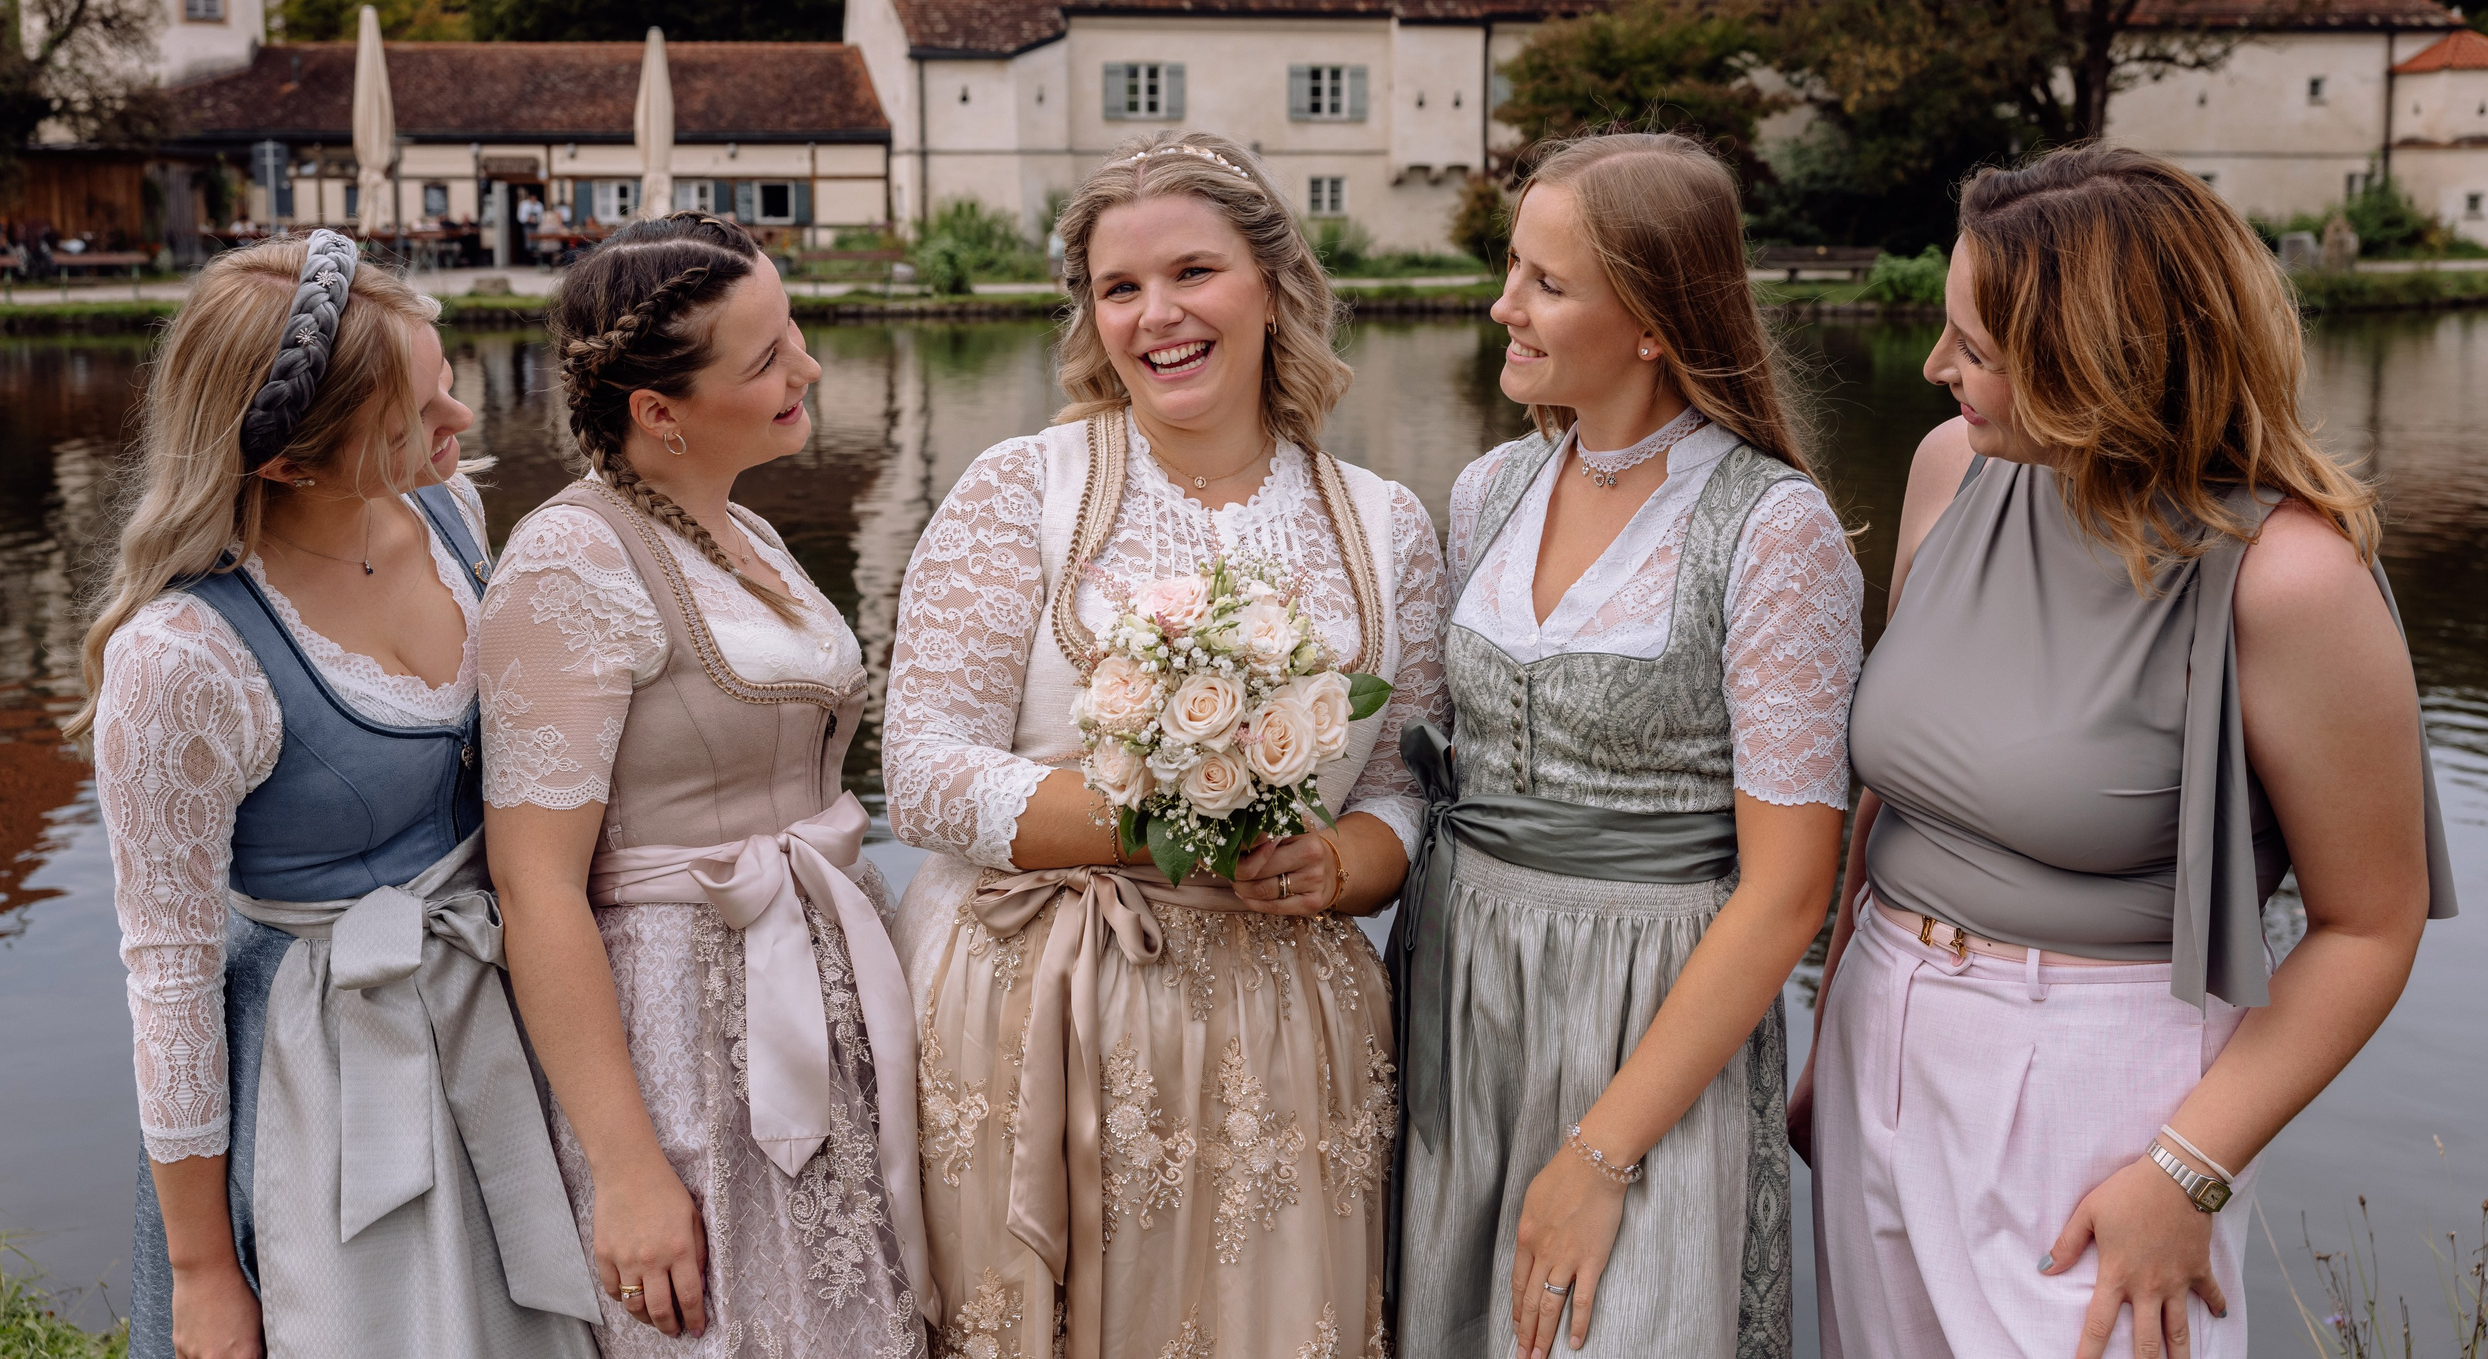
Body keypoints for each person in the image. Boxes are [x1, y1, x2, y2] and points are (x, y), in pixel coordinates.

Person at [1801, 145, 2457, 1359]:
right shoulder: (1953, 468)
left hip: (2105, 1087)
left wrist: (2187, 1169)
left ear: (2093, 362)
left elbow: (2371, 923)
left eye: (1976, 349)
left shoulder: (2289, 577)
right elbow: (1893, 803)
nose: (1938, 367)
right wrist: (1842, 1015)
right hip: (1880, 1034)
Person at [881, 132, 1452, 1359]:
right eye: (1119, 288)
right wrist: (1177, 816)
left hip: (1286, 1022)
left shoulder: (1384, 523)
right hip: (1041, 1011)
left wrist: (1343, 865)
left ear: (1273, 283)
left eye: (1193, 272)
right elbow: (921, 768)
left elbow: (1406, 781)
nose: (1158, 316)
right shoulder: (1018, 489)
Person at [75, 230, 599, 1359]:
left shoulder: (449, 516)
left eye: (443, 380)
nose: (460, 424)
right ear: (290, 464)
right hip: (325, 1057)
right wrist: (208, 1270)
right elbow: (169, 970)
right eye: (416, 417)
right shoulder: (183, 656)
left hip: (493, 988)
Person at [1394, 134, 1858, 1359]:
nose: (1505, 304)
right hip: (1464, 999)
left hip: (1650, 1014)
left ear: (1654, 321)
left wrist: (1602, 1151)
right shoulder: (1489, 490)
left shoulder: (1771, 528)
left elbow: (1791, 888)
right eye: (1512, 268)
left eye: (1546, 283)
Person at [479, 213, 931, 1356]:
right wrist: (630, 1169)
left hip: (822, 974)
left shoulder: (749, 532)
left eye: (792, 335)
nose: (807, 368)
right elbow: (535, 887)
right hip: (686, 1026)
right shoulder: (569, 559)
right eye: (767, 357)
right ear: (657, 411)